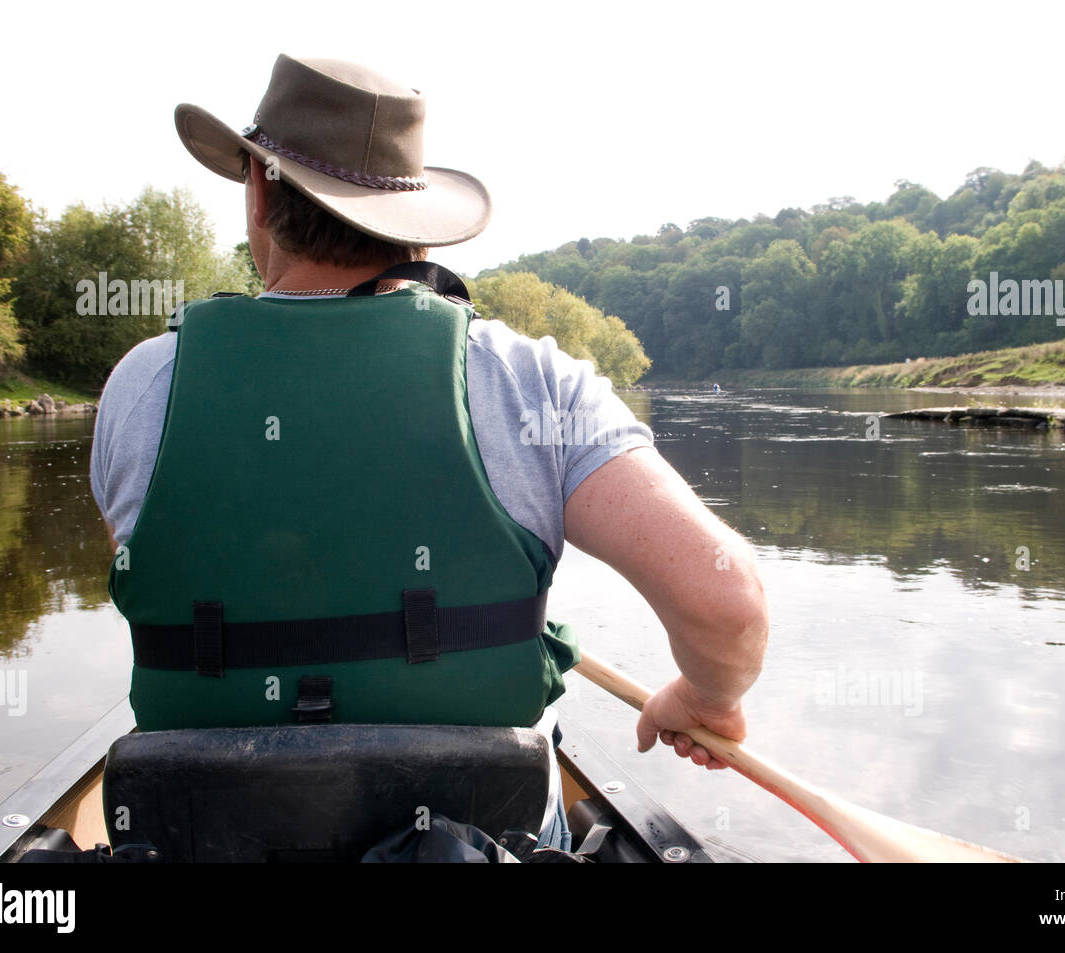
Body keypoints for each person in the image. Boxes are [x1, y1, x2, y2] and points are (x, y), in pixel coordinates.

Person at [90, 55, 767, 849]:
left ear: (261, 194)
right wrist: (703, 695)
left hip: (205, 837)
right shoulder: (527, 380)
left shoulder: (141, 387)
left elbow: (158, 577)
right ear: (408, 222)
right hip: (479, 838)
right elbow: (728, 604)